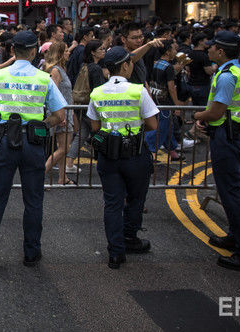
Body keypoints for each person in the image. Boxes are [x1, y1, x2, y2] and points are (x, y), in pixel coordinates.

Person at [0, 31, 65, 267]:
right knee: (33, 199)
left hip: (7, 141)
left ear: (11, 51)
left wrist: (1, 121)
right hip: (34, 144)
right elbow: (59, 116)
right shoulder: (43, 78)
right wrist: (40, 124)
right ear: (33, 52)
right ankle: (31, 252)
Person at [193, 31, 240, 271]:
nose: (209, 48)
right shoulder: (237, 70)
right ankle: (236, 237)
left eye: (212, 46)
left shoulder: (226, 76)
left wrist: (198, 115)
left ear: (221, 51)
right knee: (235, 190)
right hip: (234, 133)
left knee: (232, 193)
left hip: (227, 136)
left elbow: (215, 113)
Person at [87, 47, 158, 269]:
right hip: (135, 155)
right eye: (131, 63)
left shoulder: (97, 93)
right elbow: (153, 124)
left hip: (108, 156)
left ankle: (115, 252)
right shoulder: (138, 91)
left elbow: (95, 126)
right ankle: (130, 238)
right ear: (125, 65)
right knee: (136, 199)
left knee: (112, 203)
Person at [43, 42, 75, 185]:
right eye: (67, 51)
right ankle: (40, 176)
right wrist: (59, 115)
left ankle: (63, 178)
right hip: (61, 113)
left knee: (62, 147)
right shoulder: (55, 70)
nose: (69, 53)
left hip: (65, 112)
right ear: (60, 53)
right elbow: (52, 94)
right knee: (63, 148)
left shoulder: (61, 69)